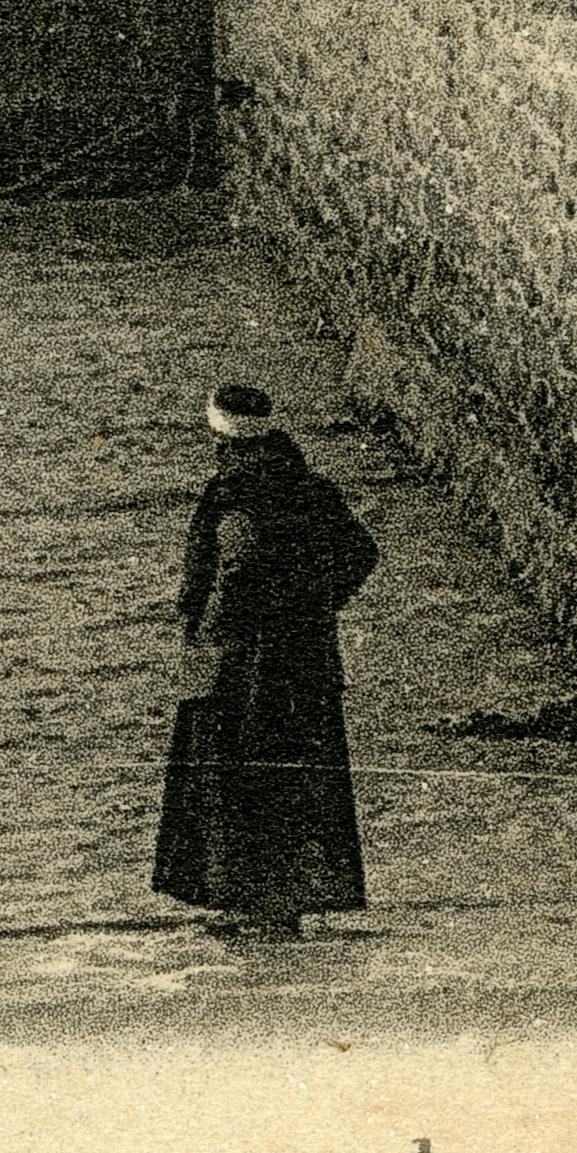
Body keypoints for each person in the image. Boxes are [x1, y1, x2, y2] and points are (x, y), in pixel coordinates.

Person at [152, 382, 378, 941]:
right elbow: (359, 553)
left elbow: (235, 571)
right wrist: (313, 607)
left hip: (237, 661)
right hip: (305, 659)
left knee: (233, 778)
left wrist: (216, 633)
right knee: (296, 776)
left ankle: (252, 906)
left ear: (221, 439)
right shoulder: (311, 488)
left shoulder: (232, 495)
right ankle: (285, 905)